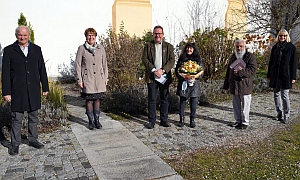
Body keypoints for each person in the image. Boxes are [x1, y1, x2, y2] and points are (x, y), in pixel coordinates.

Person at [1, 25, 49, 155]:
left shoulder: (37, 49)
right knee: (17, 119)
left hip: (33, 89)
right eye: (20, 35)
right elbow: (5, 73)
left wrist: (45, 86)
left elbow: (41, 70)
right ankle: (15, 144)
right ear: (16, 35)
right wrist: (6, 92)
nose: (22, 37)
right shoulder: (9, 50)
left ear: (29, 35)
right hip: (17, 90)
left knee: (33, 117)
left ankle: (33, 139)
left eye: (24, 35)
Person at [142, 25, 175, 129]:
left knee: (164, 98)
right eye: (156, 33)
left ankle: (164, 120)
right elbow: (144, 59)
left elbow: (171, 60)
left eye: (159, 33)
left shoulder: (168, 46)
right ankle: (152, 121)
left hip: (164, 76)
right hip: (152, 76)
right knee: (152, 99)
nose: (158, 35)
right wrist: (153, 70)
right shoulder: (148, 45)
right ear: (153, 34)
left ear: (163, 35)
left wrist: (163, 70)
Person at [75, 28, 108, 130]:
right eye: (89, 35)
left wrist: (106, 77)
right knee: (89, 100)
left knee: (97, 98)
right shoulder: (82, 49)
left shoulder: (100, 48)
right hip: (87, 78)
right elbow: (77, 65)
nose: (91, 37)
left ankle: (97, 120)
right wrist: (79, 79)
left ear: (95, 36)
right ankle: (91, 121)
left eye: (93, 35)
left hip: (99, 78)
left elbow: (104, 63)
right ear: (86, 37)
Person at [223, 39, 257, 130]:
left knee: (245, 105)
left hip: (245, 85)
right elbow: (228, 71)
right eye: (237, 46)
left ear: (244, 47)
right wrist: (226, 84)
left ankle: (245, 122)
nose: (239, 48)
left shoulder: (249, 56)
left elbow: (252, 70)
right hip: (234, 84)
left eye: (241, 46)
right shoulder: (233, 56)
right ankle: (238, 121)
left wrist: (240, 72)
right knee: (236, 105)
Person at [267, 29, 297, 124]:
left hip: (286, 75)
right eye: (280, 36)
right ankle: (279, 113)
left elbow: (293, 64)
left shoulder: (291, 47)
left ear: (286, 36)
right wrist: (269, 74)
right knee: (276, 94)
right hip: (275, 74)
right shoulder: (275, 47)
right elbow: (271, 62)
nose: (282, 37)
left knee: (284, 95)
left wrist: (293, 77)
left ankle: (286, 115)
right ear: (278, 37)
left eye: (284, 36)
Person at [175, 42, 204, 128]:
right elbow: (177, 70)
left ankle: (192, 120)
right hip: (183, 82)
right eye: (187, 48)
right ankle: (182, 120)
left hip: (194, 84)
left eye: (191, 48)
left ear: (194, 49)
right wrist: (184, 76)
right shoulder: (182, 58)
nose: (189, 49)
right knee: (182, 101)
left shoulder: (198, 59)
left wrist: (195, 76)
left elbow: (201, 71)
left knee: (193, 102)